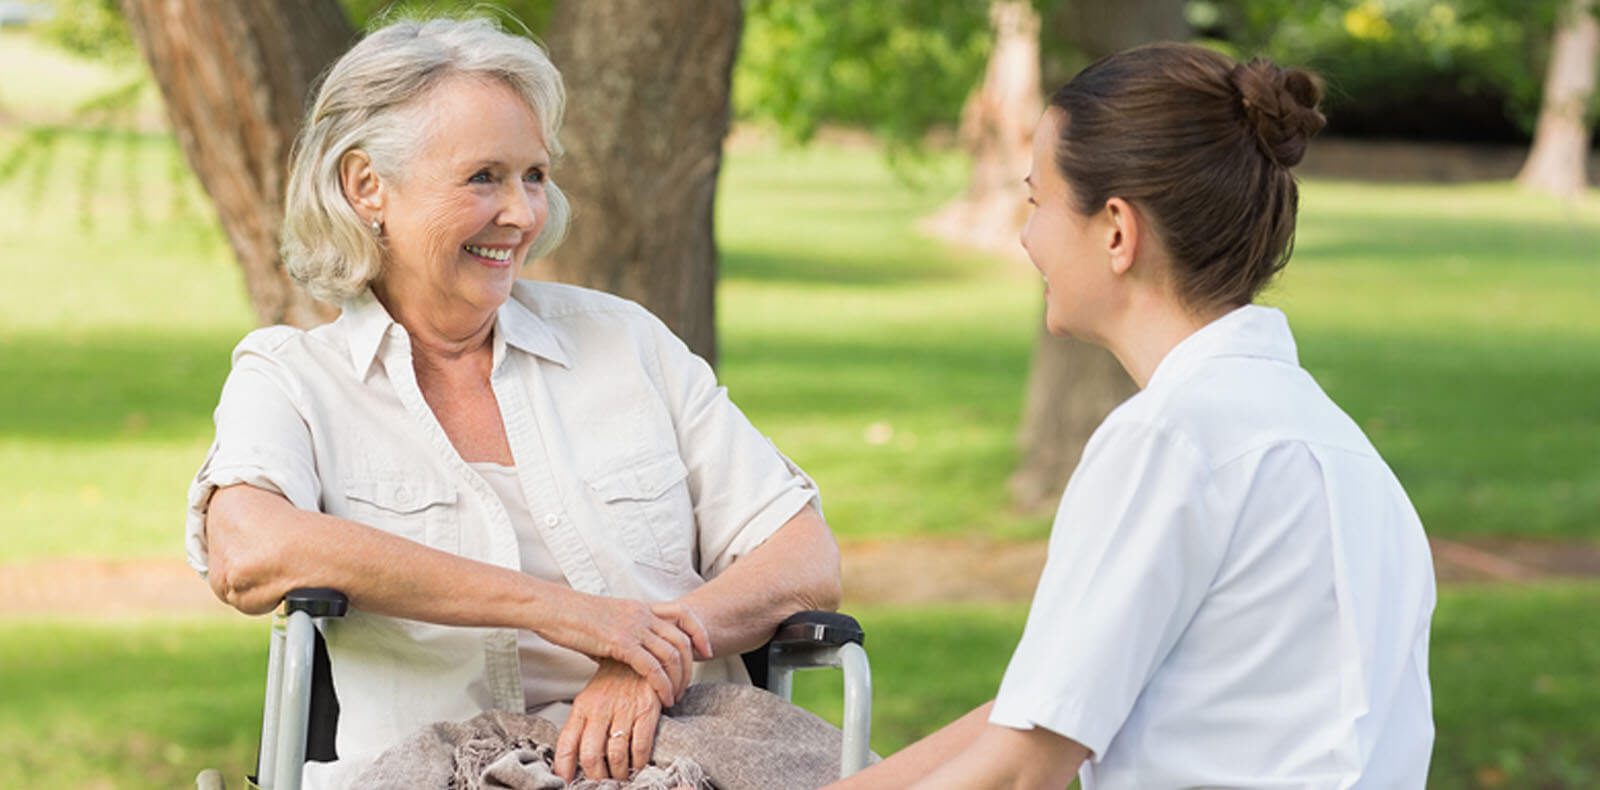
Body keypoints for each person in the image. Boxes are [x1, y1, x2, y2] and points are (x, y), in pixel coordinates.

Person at [183, 17, 841, 789]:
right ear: (367, 186)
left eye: (534, 175)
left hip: (683, 757)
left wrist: (654, 653)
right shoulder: (292, 378)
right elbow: (249, 550)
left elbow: (804, 557)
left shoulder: (625, 343)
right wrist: (561, 612)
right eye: (483, 178)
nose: (524, 214)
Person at [828, 43, 1436, 789]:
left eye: (1037, 201)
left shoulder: (1171, 440)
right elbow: (1039, 710)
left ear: (1116, 230)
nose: (1027, 237)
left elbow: (1023, 768)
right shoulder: (1339, 449)